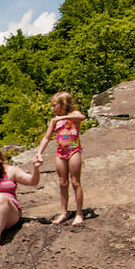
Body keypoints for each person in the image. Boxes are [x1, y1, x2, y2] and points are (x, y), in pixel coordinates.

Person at [35, 92, 86, 225]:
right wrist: (39, 152)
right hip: (60, 153)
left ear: (63, 104)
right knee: (63, 182)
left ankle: (79, 213)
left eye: (54, 105)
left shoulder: (74, 114)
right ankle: (63, 212)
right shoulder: (55, 120)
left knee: (75, 182)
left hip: (73, 151)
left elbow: (82, 117)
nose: (53, 109)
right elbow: (46, 137)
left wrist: (61, 118)